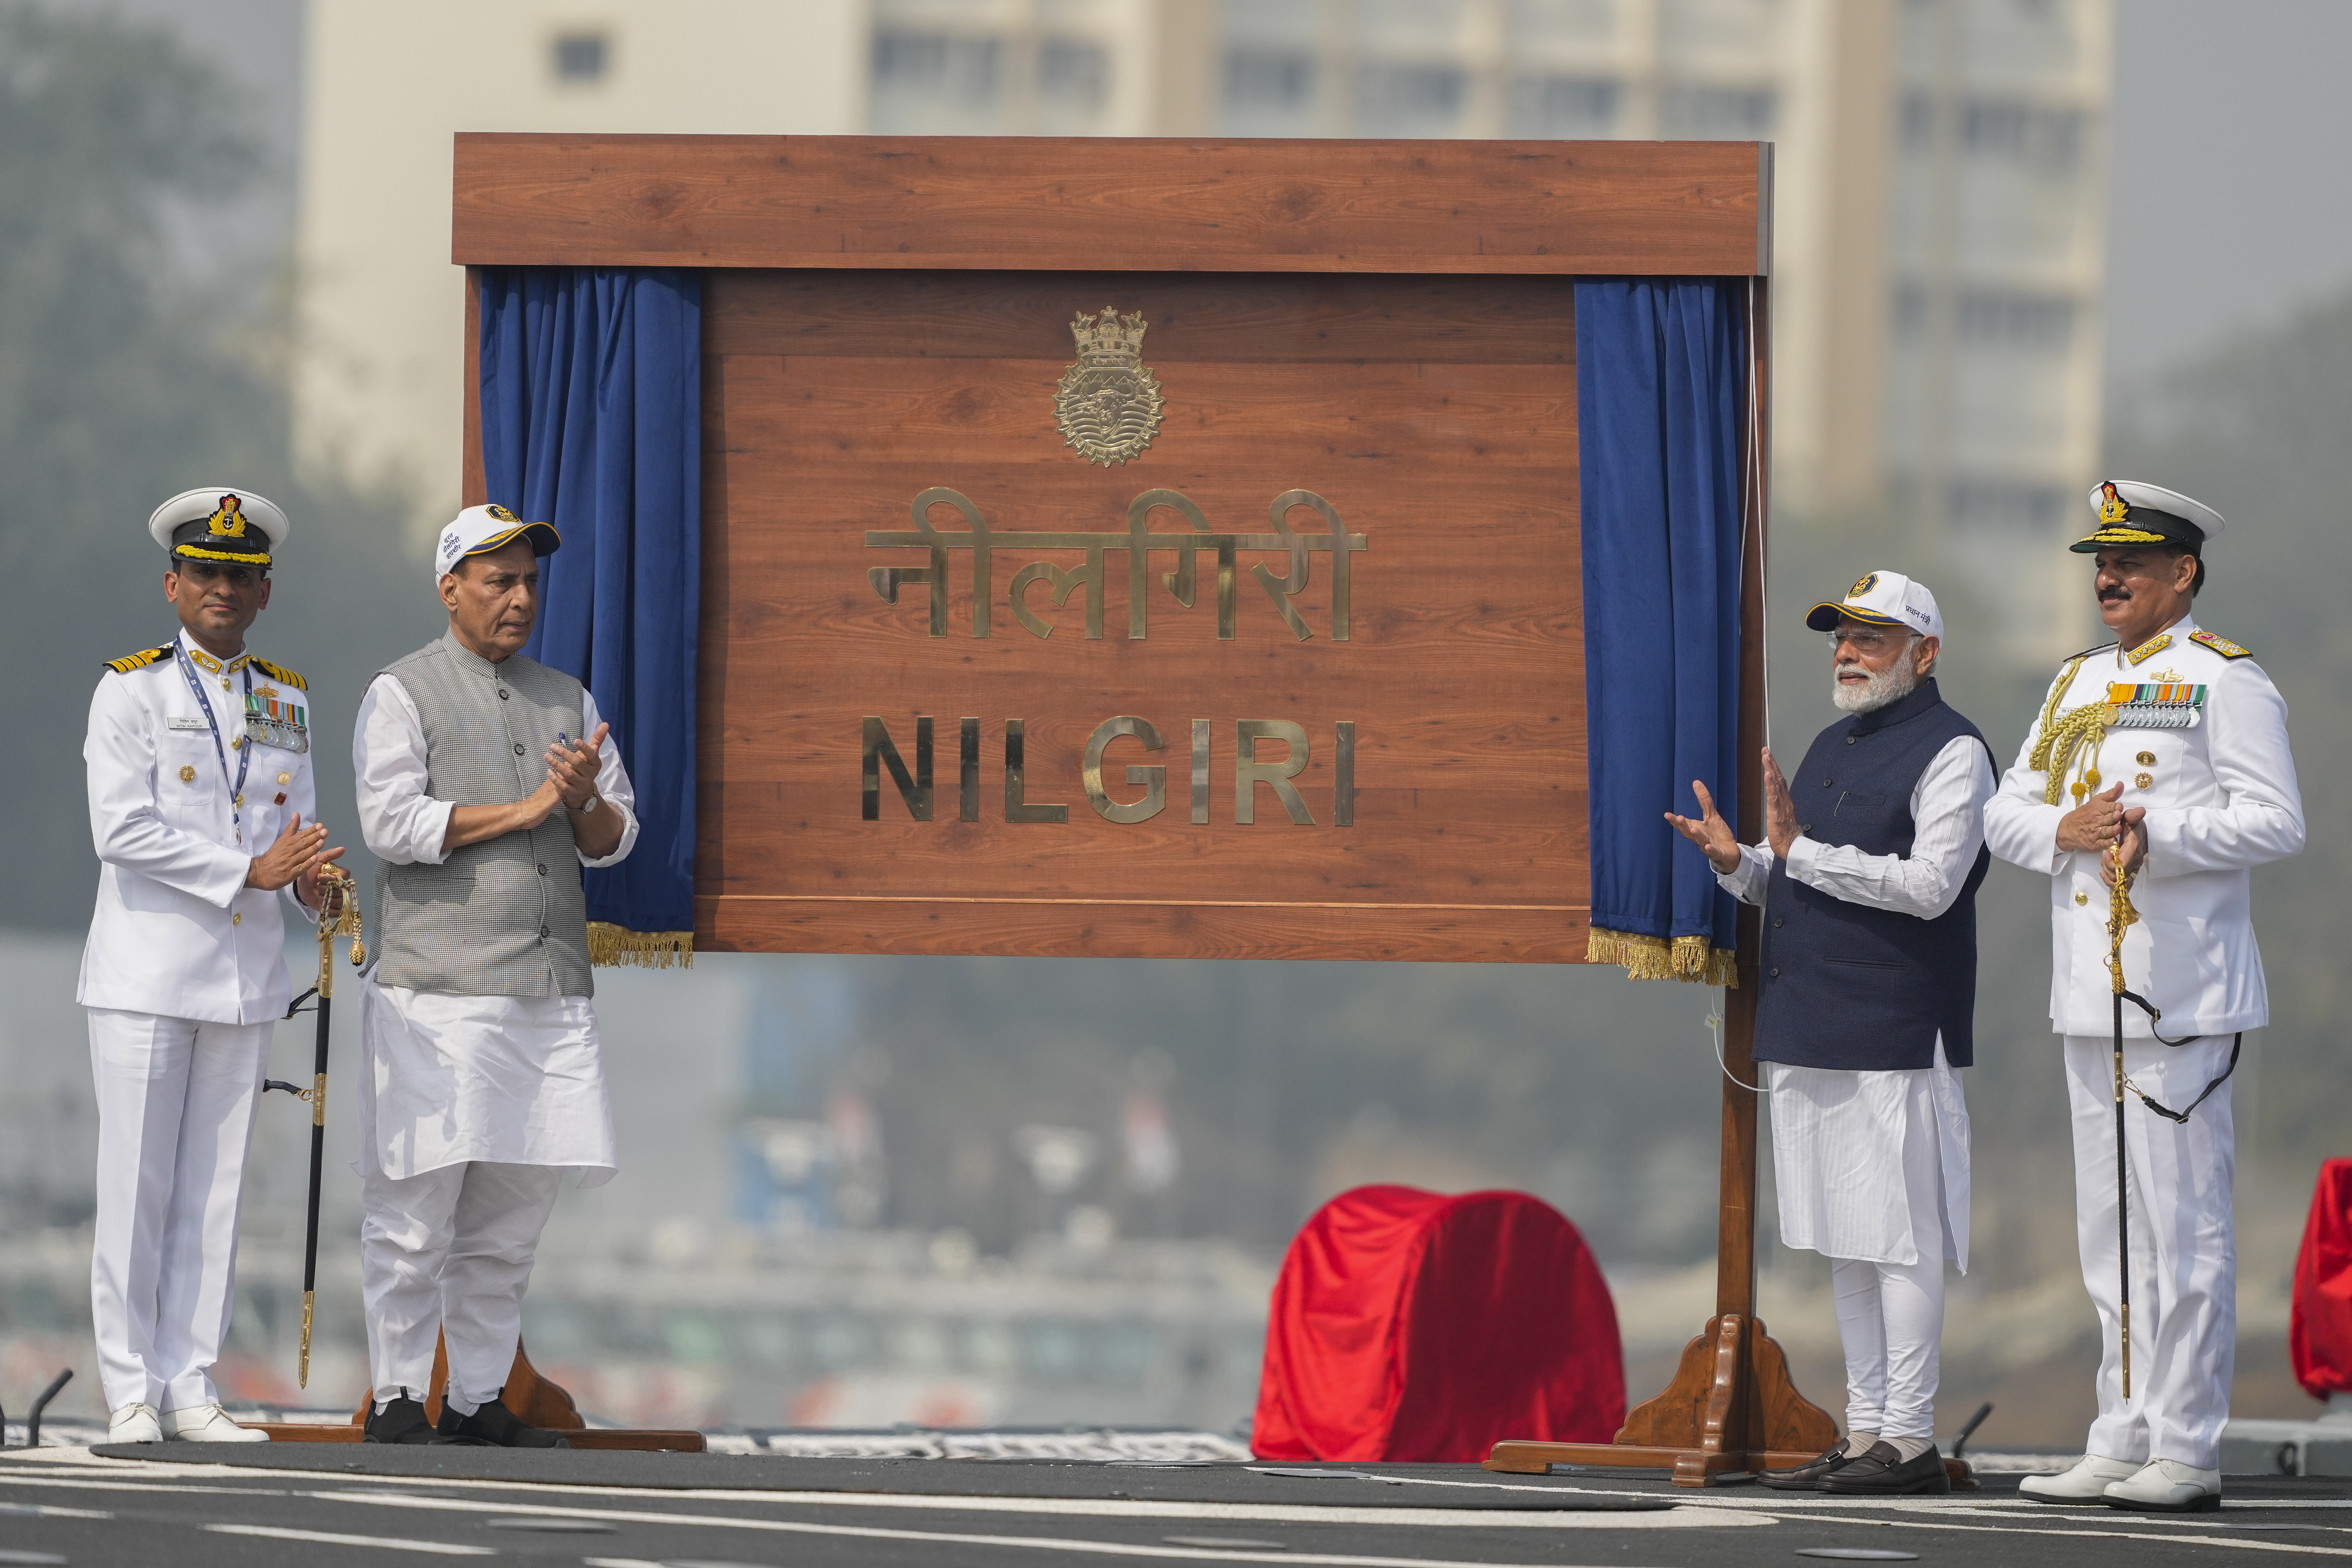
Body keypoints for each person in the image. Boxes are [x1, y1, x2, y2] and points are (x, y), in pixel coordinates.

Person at [1986, 482, 2304, 1513]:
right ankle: (2117, 1431)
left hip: (2180, 992)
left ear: (2183, 573)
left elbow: (2274, 822)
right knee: (2110, 1228)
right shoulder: (2073, 681)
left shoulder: (2224, 681)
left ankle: (2184, 1442)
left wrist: (2160, 835)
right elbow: (2007, 814)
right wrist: (2060, 834)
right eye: (2098, 562)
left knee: (2184, 1224)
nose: (2106, 578)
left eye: (2129, 563)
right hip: (2088, 992)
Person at [1668, 570, 1991, 1497]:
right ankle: (1864, 1433)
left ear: (1923, 654)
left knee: (1901, 1240)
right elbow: (1801, 876)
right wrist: (1745, 865)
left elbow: (1931, 885)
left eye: (1870, 639)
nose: (1846, 653)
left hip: (1893, 1020)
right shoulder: (1825, 741)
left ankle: (1912, 1436)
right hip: (1810, 1018)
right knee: (1848, 1239)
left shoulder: (1954, 751)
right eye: (1840, 638)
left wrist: (1801, 853)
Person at [351, 503, 637, 1446]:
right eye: (498, 581)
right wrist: (522, 809)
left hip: (545, 992)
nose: (519, 599)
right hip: (438, 990)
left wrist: (584, 800)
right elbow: (391, 825)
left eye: (528, 582)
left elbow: (613, 839)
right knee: (415, 1204)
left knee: (510, 1217)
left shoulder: (569, 698)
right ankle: (397, 1392)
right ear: (450, 589)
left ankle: (478, 1397)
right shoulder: (403, 691)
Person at [81, 488, 343, 1444]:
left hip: (242, 973)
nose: (221, 588)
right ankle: (129, 1389)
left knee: (218, 1188)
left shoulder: (285, 695)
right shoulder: (130, 688)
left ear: (264, 592)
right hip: (147, 972)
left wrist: (312, 884)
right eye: (205, 573)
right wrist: (250, 870)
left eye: (239, 575)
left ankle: (190, 1381)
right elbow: (122, 830)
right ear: (172, 585)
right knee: (139, 1183)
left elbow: (295, 834)